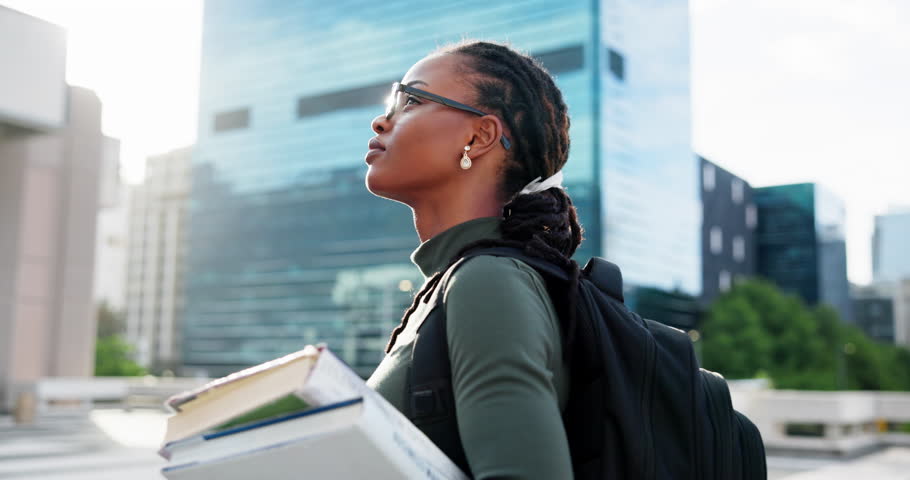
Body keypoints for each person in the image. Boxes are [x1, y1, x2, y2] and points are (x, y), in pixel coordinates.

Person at [364, 40, 584, 480]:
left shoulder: (488, 281)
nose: (381, 119)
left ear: (478, 137)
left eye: (411, 100)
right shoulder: (452, 286)